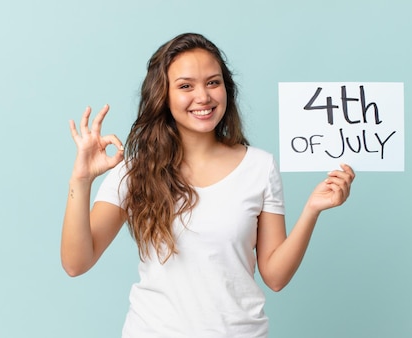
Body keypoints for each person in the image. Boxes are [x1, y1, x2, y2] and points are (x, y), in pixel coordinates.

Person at [61, 32, 355, 338]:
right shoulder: (136, 171)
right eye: (186, 86)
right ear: (163, 94)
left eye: (213, 82)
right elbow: (76, 263)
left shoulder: (260, 166)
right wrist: (81, 181)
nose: (203, 97)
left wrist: (312, 210)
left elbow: (276, 276)